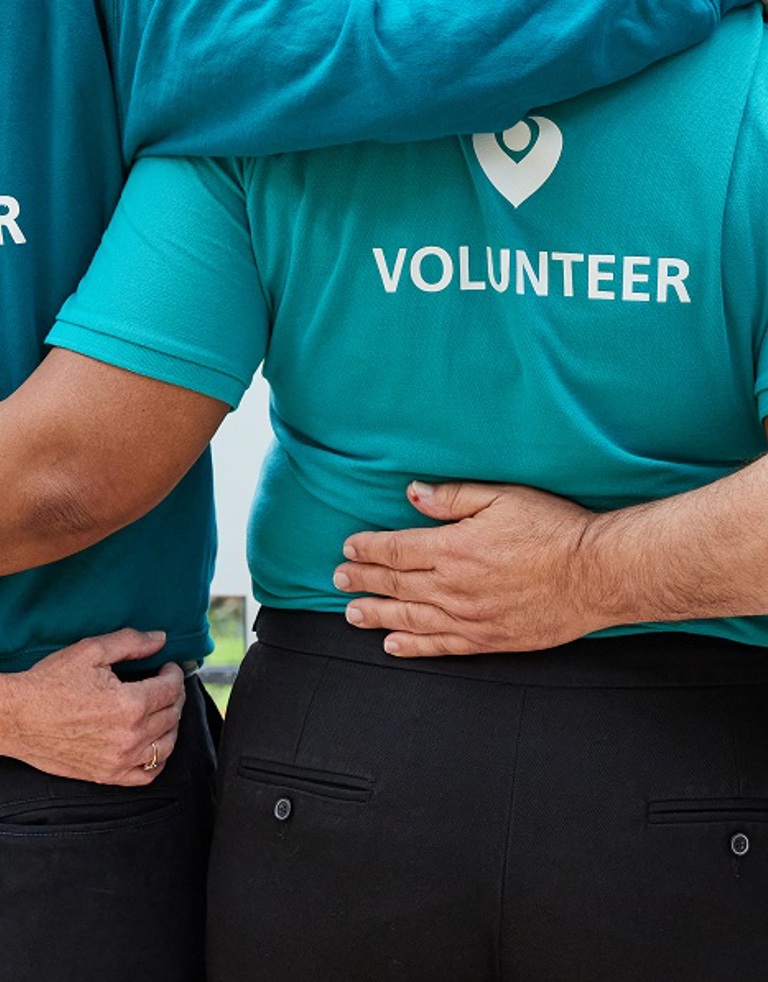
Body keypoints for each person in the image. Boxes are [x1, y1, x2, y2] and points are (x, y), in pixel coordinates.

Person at [3, 4, 762, 978]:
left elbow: (70, 473)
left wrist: (580, 575)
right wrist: (588, 573)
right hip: (694, 765)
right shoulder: (748, 87)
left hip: (344, 746)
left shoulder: (270, 97)